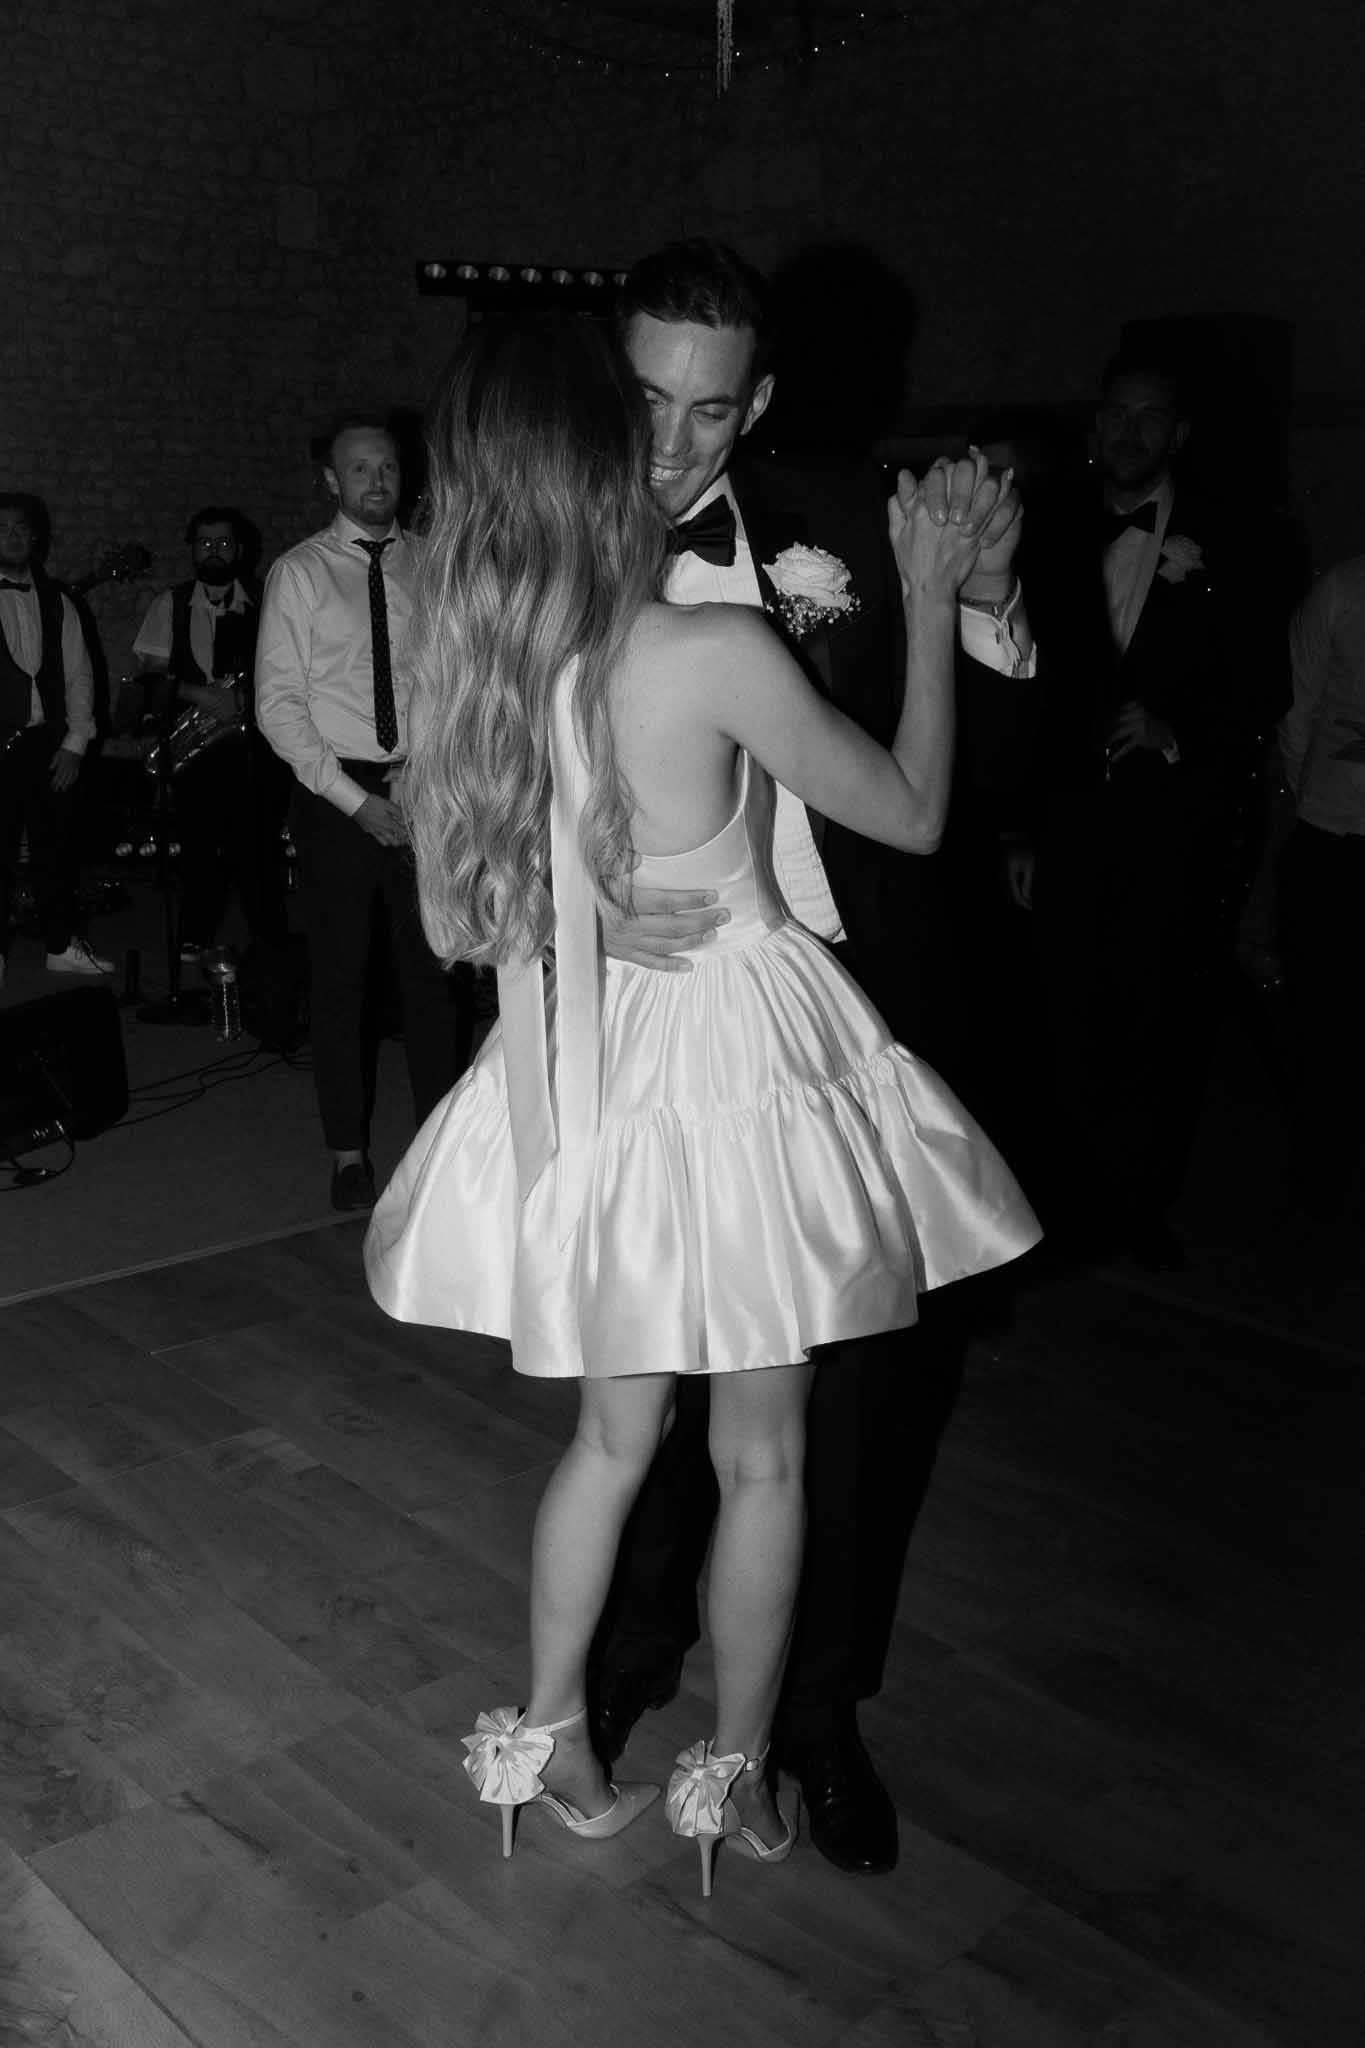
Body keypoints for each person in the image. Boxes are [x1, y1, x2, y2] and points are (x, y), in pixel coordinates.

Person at [364, 316, 1039, 1895]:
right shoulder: (708, 649)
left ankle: (548, 1739)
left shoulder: (486, 656)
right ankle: (730, 1780)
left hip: (598, 1063)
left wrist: (584, 905)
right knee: (766, 1460)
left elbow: (464, 906)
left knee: (609, 1443)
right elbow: (914, 814)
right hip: (737, 1067)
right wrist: (924, 596)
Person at [583, 240, 1040, 1879]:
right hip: (652, 1019)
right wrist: (569, 915)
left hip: (846, 1015)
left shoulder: (851, 526)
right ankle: (633, 1654)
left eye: (711, 409)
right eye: (646, 399)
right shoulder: (542, 535)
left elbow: (989, 776)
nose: (673, 441)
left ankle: (810, 1719)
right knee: (643, 1379)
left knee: (836, 1410)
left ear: (760, 401)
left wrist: (977, 603)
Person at [1021, 353, 1287, 1268]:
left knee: (1156, 1020)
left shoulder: (1238, 542)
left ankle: (1136, 1209)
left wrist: (1178, 731)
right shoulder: (1050, 528)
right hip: (1063, 821)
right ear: (1095, 425)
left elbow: (1265, 685)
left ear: (1177, 435)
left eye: (1149, 417)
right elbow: (1018, 684)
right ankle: (1058, 1208)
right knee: (1059, 1016)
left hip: (1170, 823)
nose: (1129, 431)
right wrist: (1018, 824)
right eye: (1116, 413)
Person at [255, 416, 469, 1212]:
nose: (376, 481)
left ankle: (443, 1146)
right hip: (333, 794)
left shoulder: (433, 564)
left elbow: (450, 681)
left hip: (421, 787)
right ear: (330, 481)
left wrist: (425, 771)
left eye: (387, 467)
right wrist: (355, 802)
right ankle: (348, 1152)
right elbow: (279, 706)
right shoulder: (300, 573)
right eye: (359, 469)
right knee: (340, 980)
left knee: (434, 979)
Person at [134, 506, 287, 958]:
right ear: (192, 549)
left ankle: (270, 944)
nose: (213, 551)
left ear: (239, 549)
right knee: (198, 849)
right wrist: (197, 694)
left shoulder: (269, 599)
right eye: (204, 543)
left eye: (223, 543)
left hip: (256, 744)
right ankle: (194, 935)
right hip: (197, 746)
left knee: (259, 849)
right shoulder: (170, 604)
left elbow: (292, 667)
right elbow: (151, 674)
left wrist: (245, 698)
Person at [1277, 553, 1365, 1223]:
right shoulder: (1341, 588)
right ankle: (1319, 1179)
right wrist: (1308, 804)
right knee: (1322, 1020)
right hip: (1331, 838)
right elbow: (1296, 712)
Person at [0, 492, 112, 988]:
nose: (12, 537)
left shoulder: (59, 600)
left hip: (47, 744)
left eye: (21, 528)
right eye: (1, 528)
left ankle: (61, 945)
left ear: (36, 536)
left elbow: (79, 675)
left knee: (57, 848)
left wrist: (75, 743)